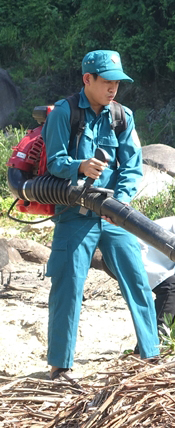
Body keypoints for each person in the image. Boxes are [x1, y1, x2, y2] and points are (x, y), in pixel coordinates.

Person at [42, 50, 158, 381]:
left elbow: (133, 167)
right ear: (87, 80)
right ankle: (60, 366)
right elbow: (54, 162)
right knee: (67, 285)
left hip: (112, 213)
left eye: (116, 83)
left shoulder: (122, 115)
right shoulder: (64, 112)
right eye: (106, 82)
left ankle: (150, 355)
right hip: (74, 212)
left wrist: (119, 204)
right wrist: (77, 166)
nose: (112, 89)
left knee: (136, 279)